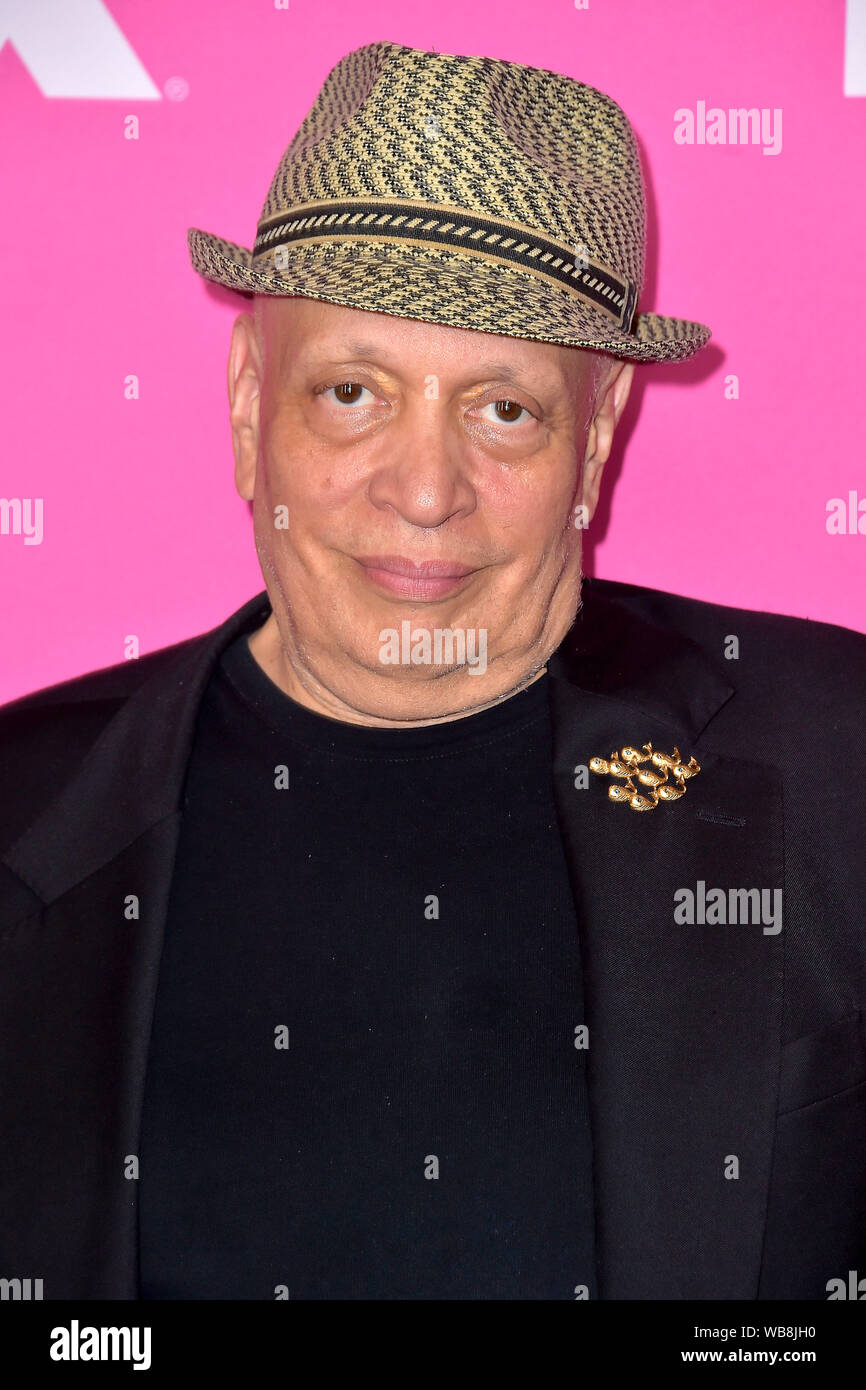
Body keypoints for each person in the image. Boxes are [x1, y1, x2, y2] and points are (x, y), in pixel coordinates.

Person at [1, 40, 864, 1302]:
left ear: (601, 431)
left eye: (502, 408)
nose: (421, 492)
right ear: (248, 403)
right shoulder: (23, 808)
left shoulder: (839, 758)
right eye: (351, 392)